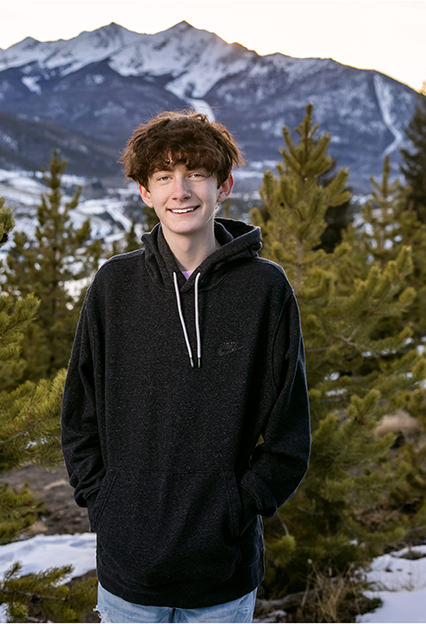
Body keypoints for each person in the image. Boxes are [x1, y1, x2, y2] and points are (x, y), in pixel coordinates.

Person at [61, 110, 311, 623]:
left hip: (222, 574)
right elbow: (79, 414)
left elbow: (289, 434)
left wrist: (237, 508)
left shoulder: (265, 290)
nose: (182, 190)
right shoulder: (114, 286)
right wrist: (105, 504)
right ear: (144, 193)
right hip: (129, 571)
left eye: (196, 173)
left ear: (224, 186)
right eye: (163, 177)